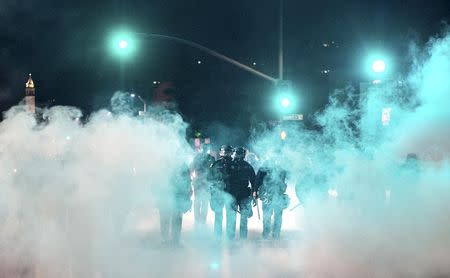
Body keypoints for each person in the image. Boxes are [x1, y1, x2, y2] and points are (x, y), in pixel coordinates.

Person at [227, 147, 256, 240]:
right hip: (232, 195)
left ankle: (242, 238)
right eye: (237, 153)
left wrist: (254, 195)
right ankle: (231, 238)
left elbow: (254, 181)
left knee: (243, 218)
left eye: (239, 154)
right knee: (232, 218)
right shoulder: (229, 165)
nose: (237, 155)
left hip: (244, 194)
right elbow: (223, 179)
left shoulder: (247, 166)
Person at [159, 166, 192, 246]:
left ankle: (170, 238)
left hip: (173, 196)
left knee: (169, 217)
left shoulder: (163, 164)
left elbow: (187, 181)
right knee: (171, 217)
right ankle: (173, 239)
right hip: (170, 196)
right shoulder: (182, 165)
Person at [255, 161, 289, 239]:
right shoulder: (265, 166)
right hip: (267, 195)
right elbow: (258, 179)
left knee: (277, 216)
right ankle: (266, 233)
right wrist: (255, 190)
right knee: (267, 215)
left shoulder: (282, 167)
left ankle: (275, 233)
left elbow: (288, 177)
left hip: (278, 195)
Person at [208, 145, 233, 237]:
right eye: (225, 152)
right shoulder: (216, 164)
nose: (227, 153)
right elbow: (209, 178)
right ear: (221, 152)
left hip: (230, 193)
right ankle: (217, 235)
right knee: (218, 214)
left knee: (230, 215)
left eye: (228, 152)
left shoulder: (234, 164)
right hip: (218, 193)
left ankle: (230, 236)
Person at [190, 149, 215, 228]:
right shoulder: (207, 157)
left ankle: (199, 221)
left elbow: (191, 169)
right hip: (202, 182)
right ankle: (200, 221)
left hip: (201, 182)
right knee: (202, 202)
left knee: (201, 202)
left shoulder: (198, 157)